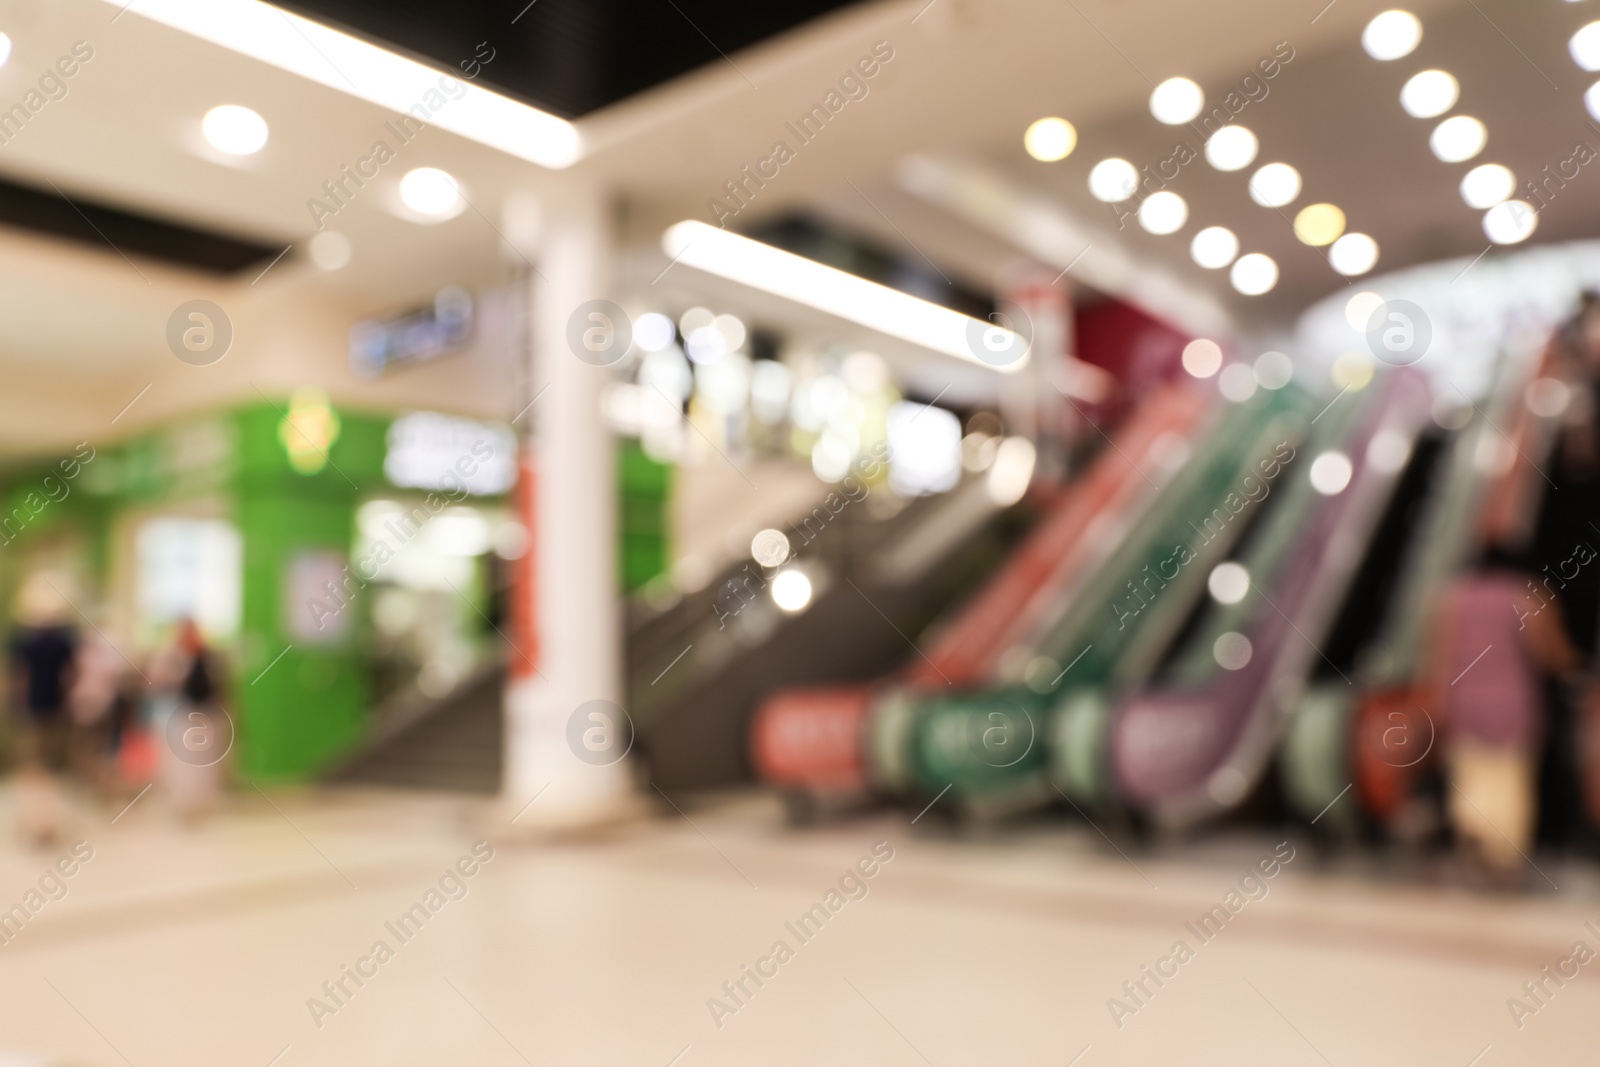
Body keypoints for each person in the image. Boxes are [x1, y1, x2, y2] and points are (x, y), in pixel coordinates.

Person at [1431, 545, 1584, 888]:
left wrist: (1439, 701)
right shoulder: (1528, 595)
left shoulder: (1453, 597)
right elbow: (1550, 655)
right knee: (1511, 777)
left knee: (1470, 772)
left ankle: (1473, 828)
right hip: (1512, 697)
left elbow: (1440, 654)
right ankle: (1502, 855)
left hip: (1465, 696)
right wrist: (1576, 666)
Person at [7, 574, 78, 846]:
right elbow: (71, 677)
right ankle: (47, 821)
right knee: (52, 767)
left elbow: (17, 679)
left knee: (33, 768)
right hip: (57, 710)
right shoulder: (64, 641)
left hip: (31, 712)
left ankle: (38, 822)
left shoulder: (22, 641)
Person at [150, 619, 229, 822]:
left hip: (203, 714)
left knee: (202, 761)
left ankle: (200, 801)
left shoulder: (206, 656)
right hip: (184, 714)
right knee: (184, 761)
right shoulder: (174, 656)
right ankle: (186, 802)